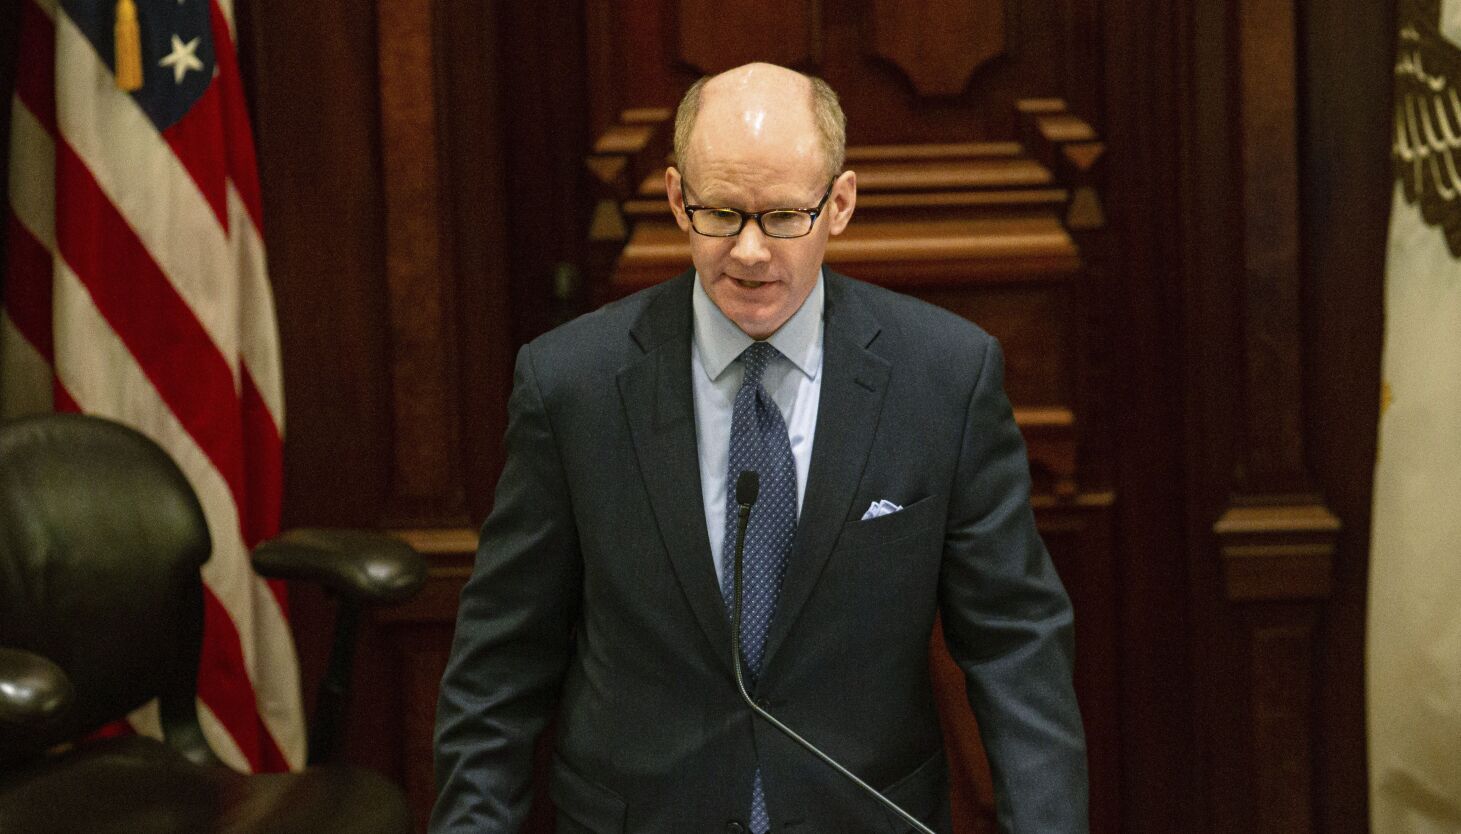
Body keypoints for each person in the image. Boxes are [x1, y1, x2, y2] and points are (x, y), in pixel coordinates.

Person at [431, 62, 1088, 834]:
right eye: (719, 214)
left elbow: (1016, 648)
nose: (747, 252)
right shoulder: (570, 384)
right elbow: (500, 667)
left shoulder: (942, 378)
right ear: (677, 198)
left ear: (838, 204)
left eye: (781, 217)